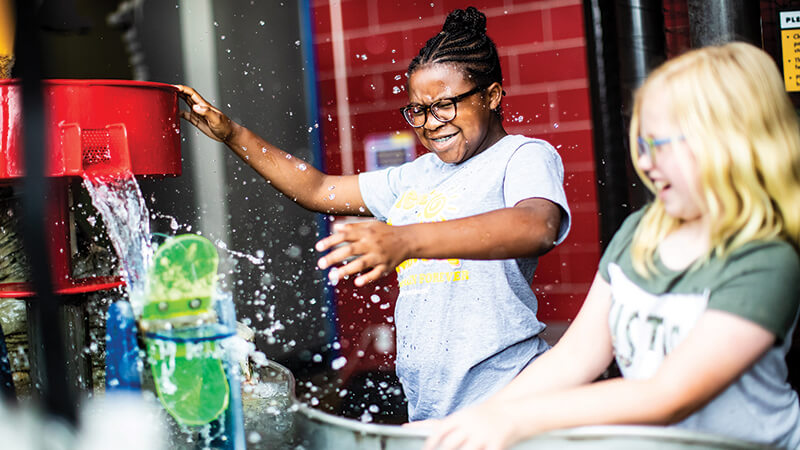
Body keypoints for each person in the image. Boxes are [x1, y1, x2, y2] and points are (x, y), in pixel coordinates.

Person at [177, 6, 571, 422]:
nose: (430, 124)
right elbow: (317, 188)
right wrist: (233, 134)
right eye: (418, 110)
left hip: (507, 398)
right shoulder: (416, 175)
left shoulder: (522, 156)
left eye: (445, 106)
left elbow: (537, 226)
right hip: (430, 407)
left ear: (490, 96)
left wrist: (404, 239)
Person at [415, 41, 800, 449]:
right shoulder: (643, 231)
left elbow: (668, 397)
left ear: (728, 143)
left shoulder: (765, 261)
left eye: (662, 145)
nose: (646, 164)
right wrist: (467, 423)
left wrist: (513, 419)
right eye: (642, 145)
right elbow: (575, 357)